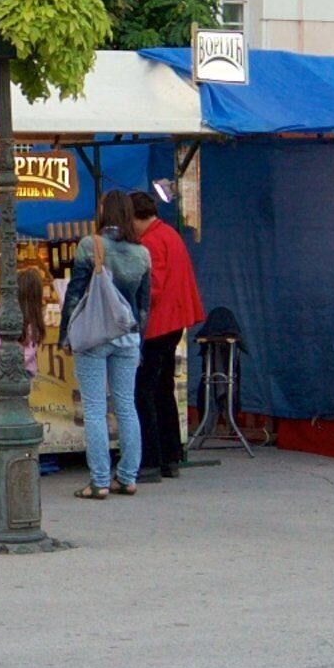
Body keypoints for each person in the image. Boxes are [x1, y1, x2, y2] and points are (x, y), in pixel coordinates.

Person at [63, 193, 152, 499]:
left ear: (103, 212)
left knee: (95, 409)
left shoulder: (91, 246)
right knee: (126, 406)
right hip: (128, 337)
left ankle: (99, 480)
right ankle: (127, 477)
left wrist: (66, 334)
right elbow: (143, 306)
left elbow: (74, 295)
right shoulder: (142, 253)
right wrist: (138, 340)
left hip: (94, 336)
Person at [130, 186, 204, 482]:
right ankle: (170, 456)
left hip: (158, 324)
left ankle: (149, 459)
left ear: (136, 218)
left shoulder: (149, 242)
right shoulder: (169, 234)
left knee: (144, 390)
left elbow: (152, 288)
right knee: (163, 389)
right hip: (176, 321)